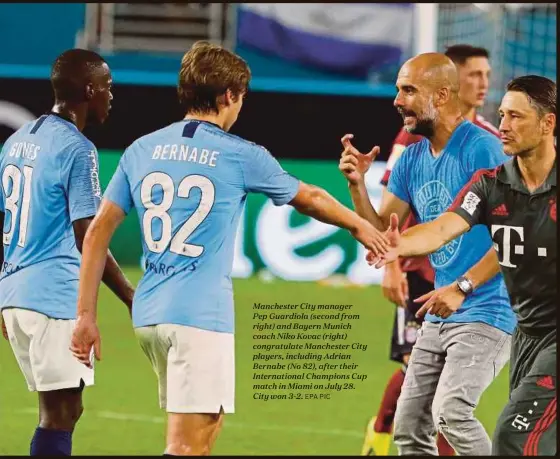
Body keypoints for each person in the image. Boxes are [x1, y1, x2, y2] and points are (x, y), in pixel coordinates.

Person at [69, 41, 390, 456]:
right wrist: (361, 226)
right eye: (241, 98)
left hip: (150, 314)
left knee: (203, 433)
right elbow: (308, 196)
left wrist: (86, 316)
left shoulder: (141, 149)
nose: (241, 108)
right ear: (227, 96)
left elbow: (96, 234)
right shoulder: (239, 154)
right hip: (199, 316)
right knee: (186, 446)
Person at [369, 74, 556, 456]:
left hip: (540, 329)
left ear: (548, 123)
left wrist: (463, 287)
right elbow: (440, 230)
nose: (503, 125)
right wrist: (393, 244)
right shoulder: (490, 184)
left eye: (516, 117)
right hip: (528, 332)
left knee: (509, 435)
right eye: (502, 115)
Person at [338, 52, 516, 455]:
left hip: (488, 306)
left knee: (451, 413)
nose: (397, 100)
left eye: (408, 90)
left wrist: (465, 286)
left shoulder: (483, 149)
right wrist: (356, 186)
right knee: (409, 426)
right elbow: (386, 233)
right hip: (440, 310)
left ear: (441, 94)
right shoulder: (413, 158)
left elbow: (512, 236)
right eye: (398, 89)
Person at [0, 49, 135, 456]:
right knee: (60, 413)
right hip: (51, 297)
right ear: (90, 90)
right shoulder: (78, 149)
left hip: (16, 296)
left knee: (60, 410)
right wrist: (132, 297)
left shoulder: (18, 141)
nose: (111, 96)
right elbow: (87, 237)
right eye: (108, 87)